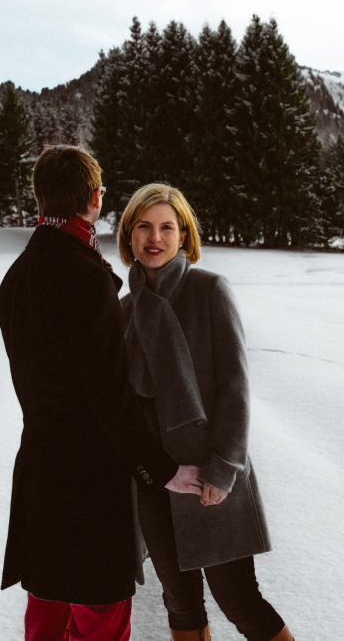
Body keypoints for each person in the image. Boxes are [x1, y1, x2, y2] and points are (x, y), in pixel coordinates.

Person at [0, 148, 202, 641]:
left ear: (41, 197)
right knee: (100, 622)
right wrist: (162, 470)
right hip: (89, 487)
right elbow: (109, 398)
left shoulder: (17, 277)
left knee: (44, 618)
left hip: (40, 476)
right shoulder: (85, 278)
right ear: (94, 198)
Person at [118, 183, 294, 641]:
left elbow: (235, 386)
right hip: (155, 482)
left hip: (207, 476)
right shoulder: (123, 312)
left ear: (183, 237)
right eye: (144, 226)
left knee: (239, 600)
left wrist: (223, 468)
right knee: (179, 602)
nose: (154, 238)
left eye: (166, 227)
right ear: (129, 235)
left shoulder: (209, 291)